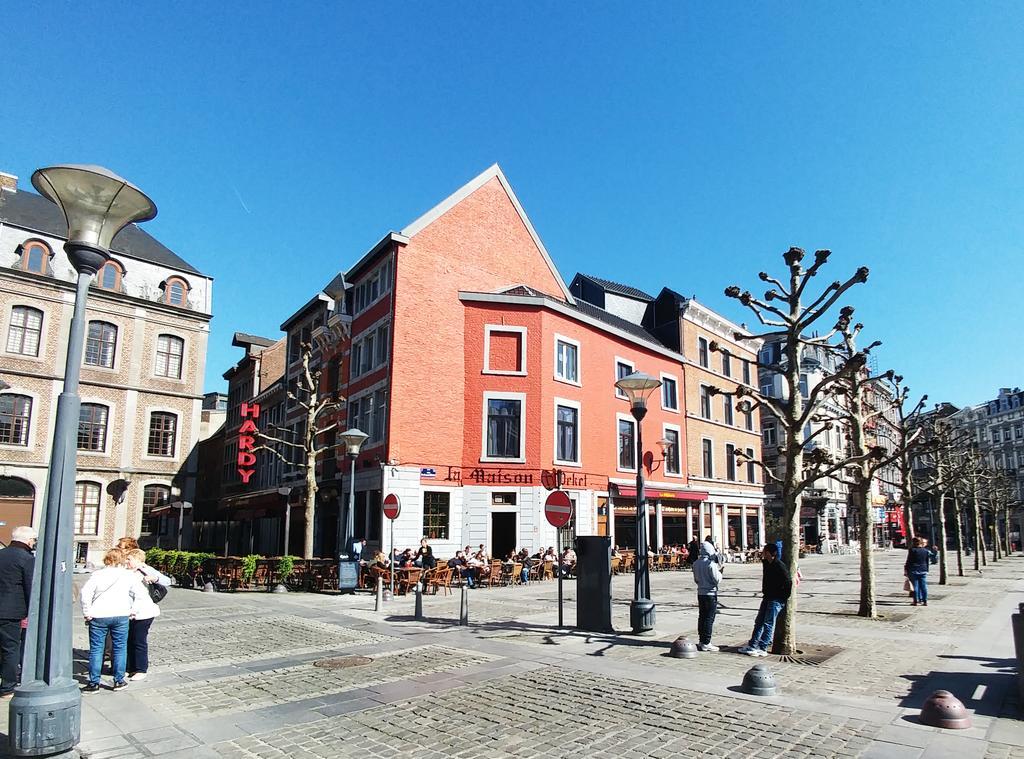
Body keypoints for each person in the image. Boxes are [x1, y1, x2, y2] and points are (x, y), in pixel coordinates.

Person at [80, 548, 147, 692]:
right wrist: (133, 611)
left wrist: (87, 611)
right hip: (121, 615)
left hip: (99, 615)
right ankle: (119, 680)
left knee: (97, 649)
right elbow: (141, 594)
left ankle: (94, 683)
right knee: (120, 648)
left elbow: (85, 593)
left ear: (107, 559)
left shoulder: (97, 574)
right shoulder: (128, 575)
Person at [0, 526, 37, 700]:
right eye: (33, 540)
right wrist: (33, 610)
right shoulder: (26, 558)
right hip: (12, 611)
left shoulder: (2, 553)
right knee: (10, 648)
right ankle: (7, 687)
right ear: (29, 540)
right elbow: (30, 586)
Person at [124, 549, 171, 681]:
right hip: (126, 611)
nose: (126, 561)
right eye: (126, 559)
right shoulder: (125, 571)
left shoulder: (145, 569)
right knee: (127, 640)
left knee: (138, 640)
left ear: (138, 560)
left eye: (129, 559)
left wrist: (154, 578)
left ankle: (140, 669)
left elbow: (167, 581)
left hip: (144, 612)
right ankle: (128, 667)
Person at [738, 543, 792, 656]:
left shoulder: (779, 565)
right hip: (767, 596)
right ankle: (752, 645)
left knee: (768, 623)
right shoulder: (767, 564)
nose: (763, 554)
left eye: (766, 552)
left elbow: (788, 582)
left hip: (776, 599)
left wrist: (783, 597)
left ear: (771, 553)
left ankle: (763, 647)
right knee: (759, 622)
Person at [692, 539, 723, 652]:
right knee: (709, 618)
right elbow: (716, 580)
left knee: (702, 616)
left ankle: (702, 639)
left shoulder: (696, 563)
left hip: (700, 592)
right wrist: (720, 572)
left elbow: (696, 579)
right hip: (710, 593)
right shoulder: (711, 564)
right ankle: (706, 642)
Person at [905, 536, 932, 606]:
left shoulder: (912, 550)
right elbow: (927, 561)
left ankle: (916, 601)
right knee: (924, 586)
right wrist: (926, 569)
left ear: (914, 543)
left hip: (914, 569)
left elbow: (909, 561)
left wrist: (906, 569)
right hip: (923, 569)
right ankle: (925, 601)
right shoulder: (925, 551)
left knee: (915, 586)